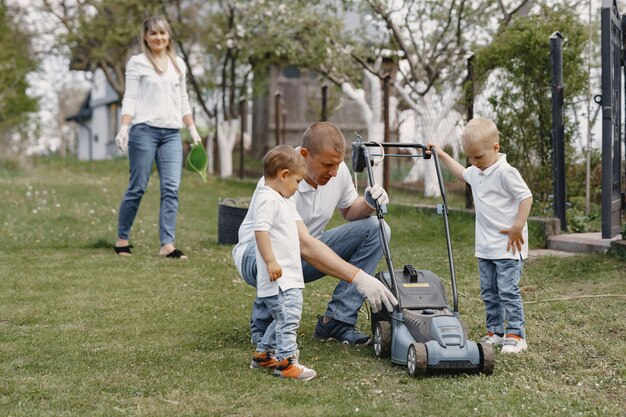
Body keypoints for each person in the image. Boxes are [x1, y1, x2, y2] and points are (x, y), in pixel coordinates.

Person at [233, 122, 397, 347]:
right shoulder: (280, 177)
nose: (334, 172)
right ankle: (264, 324)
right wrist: (359, 278)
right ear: (303, 154)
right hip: (258, 256)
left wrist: (369, 203)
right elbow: (302, 243)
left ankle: (337, 321)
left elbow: (349, 211)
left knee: (377, 229)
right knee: (283, 241)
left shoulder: (337, 172)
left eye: (338, 164)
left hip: (303, 253)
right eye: (327, 164)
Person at [429, 118, 533, 354]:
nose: (473, 163)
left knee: (507, 291)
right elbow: (461, 172)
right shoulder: (477, 171)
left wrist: (518, 226)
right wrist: (442, 154)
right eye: (470, 158)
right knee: (489, 291)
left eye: (478, 157)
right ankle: (495, 332)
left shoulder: (506, 172)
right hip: (485, 246)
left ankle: (516, 334)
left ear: (495, 147)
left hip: (508, 246)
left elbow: (526, 197)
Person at [113, 15, 202, 259]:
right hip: (144, 131)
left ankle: (167, 245)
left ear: (168, 36)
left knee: (171, 188)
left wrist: (192, 128)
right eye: (153, 33)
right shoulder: (137, 63)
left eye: (162, 33)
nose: (158, 38)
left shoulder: (178, 64)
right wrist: (124, 127)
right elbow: (130, 97)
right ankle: (122, 239)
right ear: (145, 36)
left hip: (172, 133)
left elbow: (183, 100)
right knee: (138, 186)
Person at [249, 145, 316, 380]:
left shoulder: (280, 199)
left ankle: (264, 355)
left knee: (282, 318)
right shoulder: (268, 199)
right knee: (289, 319)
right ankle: (287, 362)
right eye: (297, 182)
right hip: (280, 280)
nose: (298, 188)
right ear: (284, 175)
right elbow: (260, 231)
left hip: (286, 277)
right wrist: (270, 261)